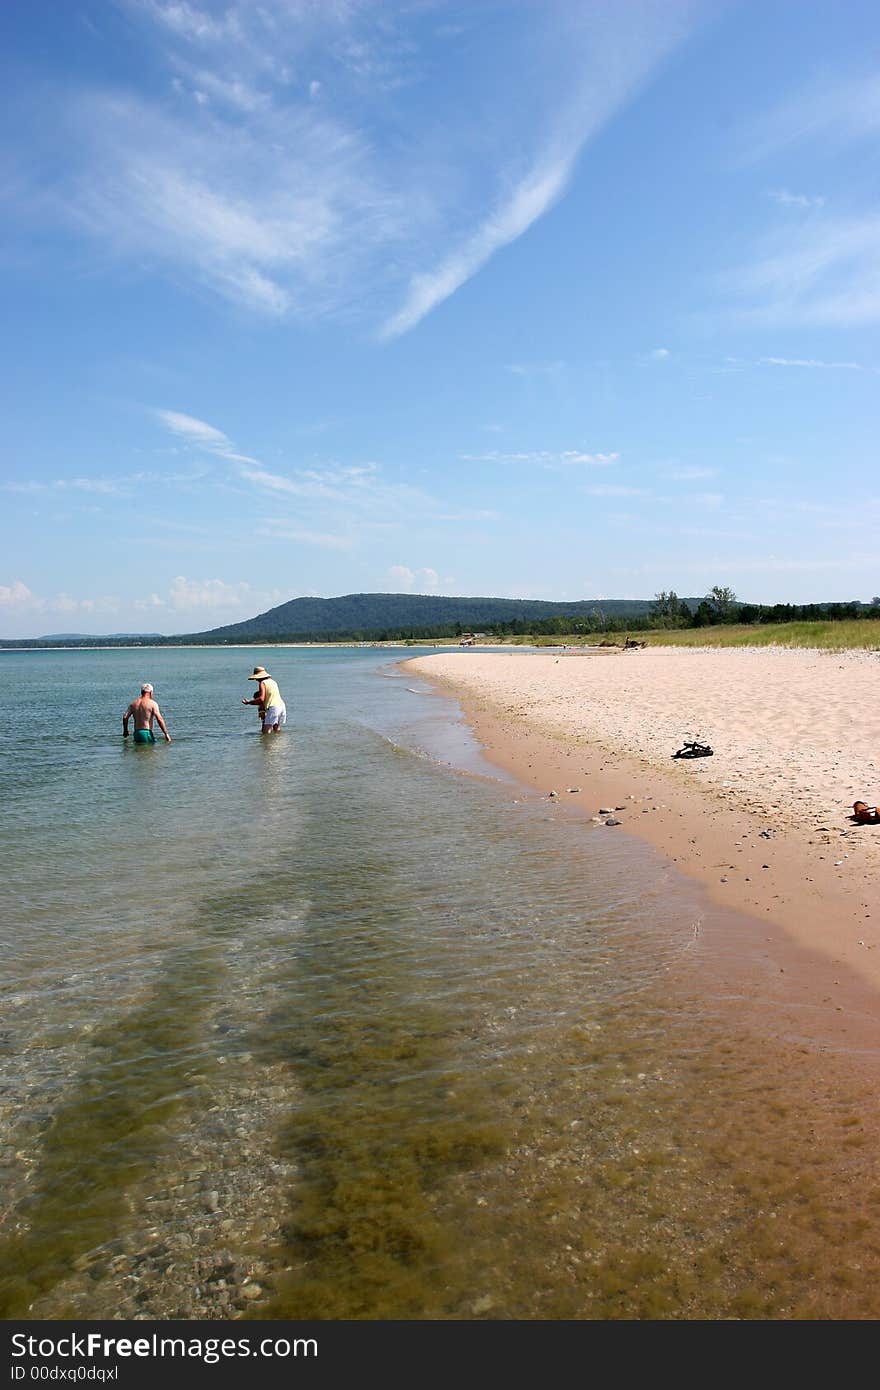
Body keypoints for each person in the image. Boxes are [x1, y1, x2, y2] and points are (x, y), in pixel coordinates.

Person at [242, 665, 286, 734]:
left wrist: (249, 702)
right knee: (276, 728)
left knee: (265, 732)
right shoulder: (273, 682)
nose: (256, 680)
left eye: (256, 678)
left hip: (273, 707)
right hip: (281, 706)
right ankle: (279, 744)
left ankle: (266, 745)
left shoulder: (262, 683)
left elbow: (261, 699)